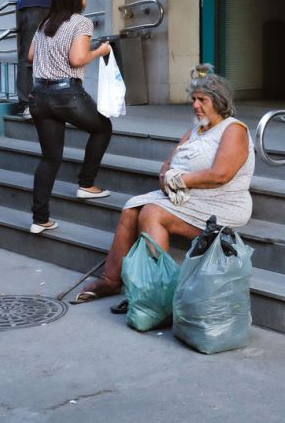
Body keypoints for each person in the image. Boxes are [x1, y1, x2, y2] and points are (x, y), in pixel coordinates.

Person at [70, 65, 254, 305]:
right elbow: (167, 165)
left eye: (202, 100)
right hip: (188, 197)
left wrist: (178, 180)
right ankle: (111, 280)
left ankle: (155, 291)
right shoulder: (196, 130)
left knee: (152, 212)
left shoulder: (234, 129)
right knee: (130, 209)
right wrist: (167, 180)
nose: (195, 105)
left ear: (219, 101)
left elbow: (221, 175)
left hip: (222, 203)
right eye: (194, 99)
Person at [28, 0, 113, 234]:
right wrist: (100, 51)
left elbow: (30, 55)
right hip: (66, 95)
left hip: (39, 96)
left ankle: (40, 219)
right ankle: (86, 184)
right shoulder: (81, 22)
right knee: (102, 128)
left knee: (50, 158)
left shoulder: (45, 22)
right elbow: (77, 59)